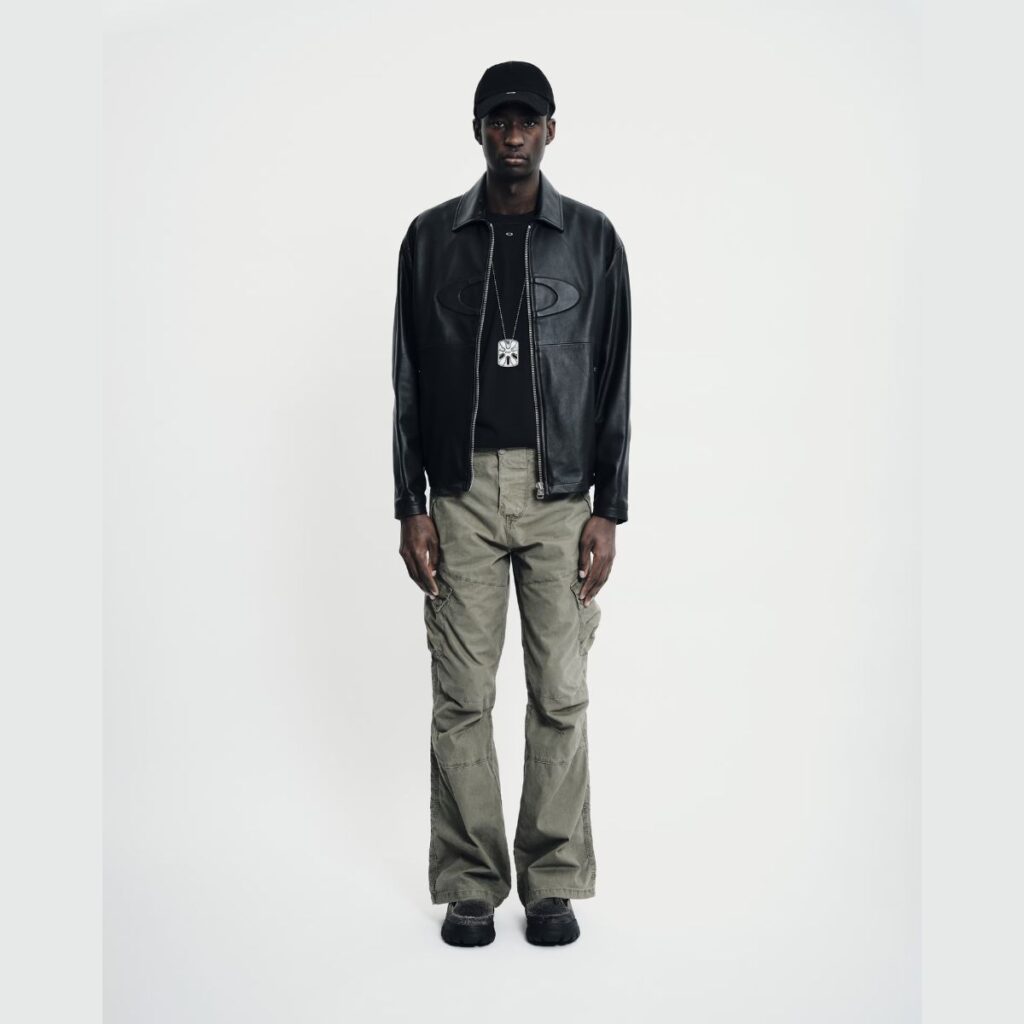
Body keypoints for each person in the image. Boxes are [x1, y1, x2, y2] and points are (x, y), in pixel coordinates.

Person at [391, 60, 631, 947]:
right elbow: (407, 380)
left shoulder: (593, 240)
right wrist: (409, 502)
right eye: (499, 120)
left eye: (528, 120)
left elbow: (614, 376)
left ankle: (553, 878)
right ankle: (470, 880)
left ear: (551, 131)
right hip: (458, 492)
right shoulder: (430, 238)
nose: (514, 134)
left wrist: (610, 506)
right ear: (479, 132)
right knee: (461, 695)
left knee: (560, 692)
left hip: (560, 493)